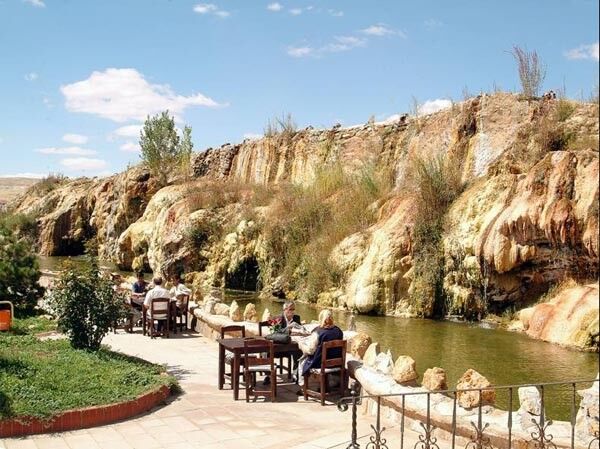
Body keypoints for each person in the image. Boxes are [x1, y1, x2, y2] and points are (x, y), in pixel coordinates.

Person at [298, 309, 343, 380]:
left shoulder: (318, 332)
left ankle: (302, 384)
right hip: (336, 363)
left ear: (321, 319)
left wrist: (301, 345)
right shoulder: (339, 331)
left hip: (319, 364)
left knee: (302, 361)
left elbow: (310, 351)